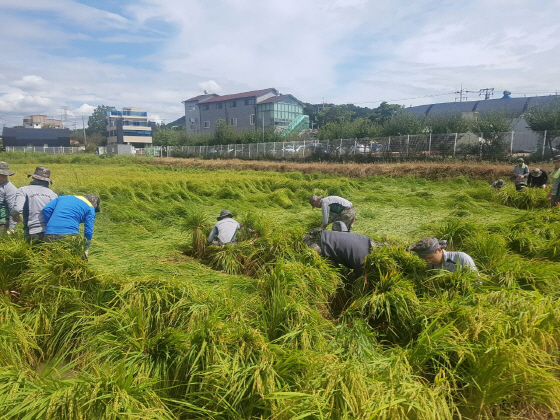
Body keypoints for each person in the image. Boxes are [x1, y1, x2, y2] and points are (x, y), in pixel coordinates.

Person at [42, 194, 101, 259]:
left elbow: (46, 209)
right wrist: (86, 247)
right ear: (95, 204)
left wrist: (51, 225)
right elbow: (88, 231)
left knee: (50, 260)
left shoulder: (63, 198)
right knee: (76, 262)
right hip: (69, 236)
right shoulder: (90, 207)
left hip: (49, 234)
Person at [303, 228, 375, 277]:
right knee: (337, 275)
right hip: (317, 246)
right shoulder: (361, 260)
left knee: (338, 268)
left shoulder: (366, 238)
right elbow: (359, 277)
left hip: (319, 233)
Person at [11, 166, 57, 242]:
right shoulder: (52, 194)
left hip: (32, 231)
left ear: (33, 177)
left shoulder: (24, 190)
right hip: (49, 232)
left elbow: (17, 209)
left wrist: (14, 215)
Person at [408, 237, 477, 272]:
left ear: (439, 250)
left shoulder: (461, 258)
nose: (428, 262)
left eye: (430, 258)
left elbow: (476, 280)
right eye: (425, 259)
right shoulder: (430, 266)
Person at [0, 162, 17, 235]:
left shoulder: (10, 188)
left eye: (2, 175)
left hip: (2, 221)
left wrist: (11, 227)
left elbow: (13, 208)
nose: (0, 177)